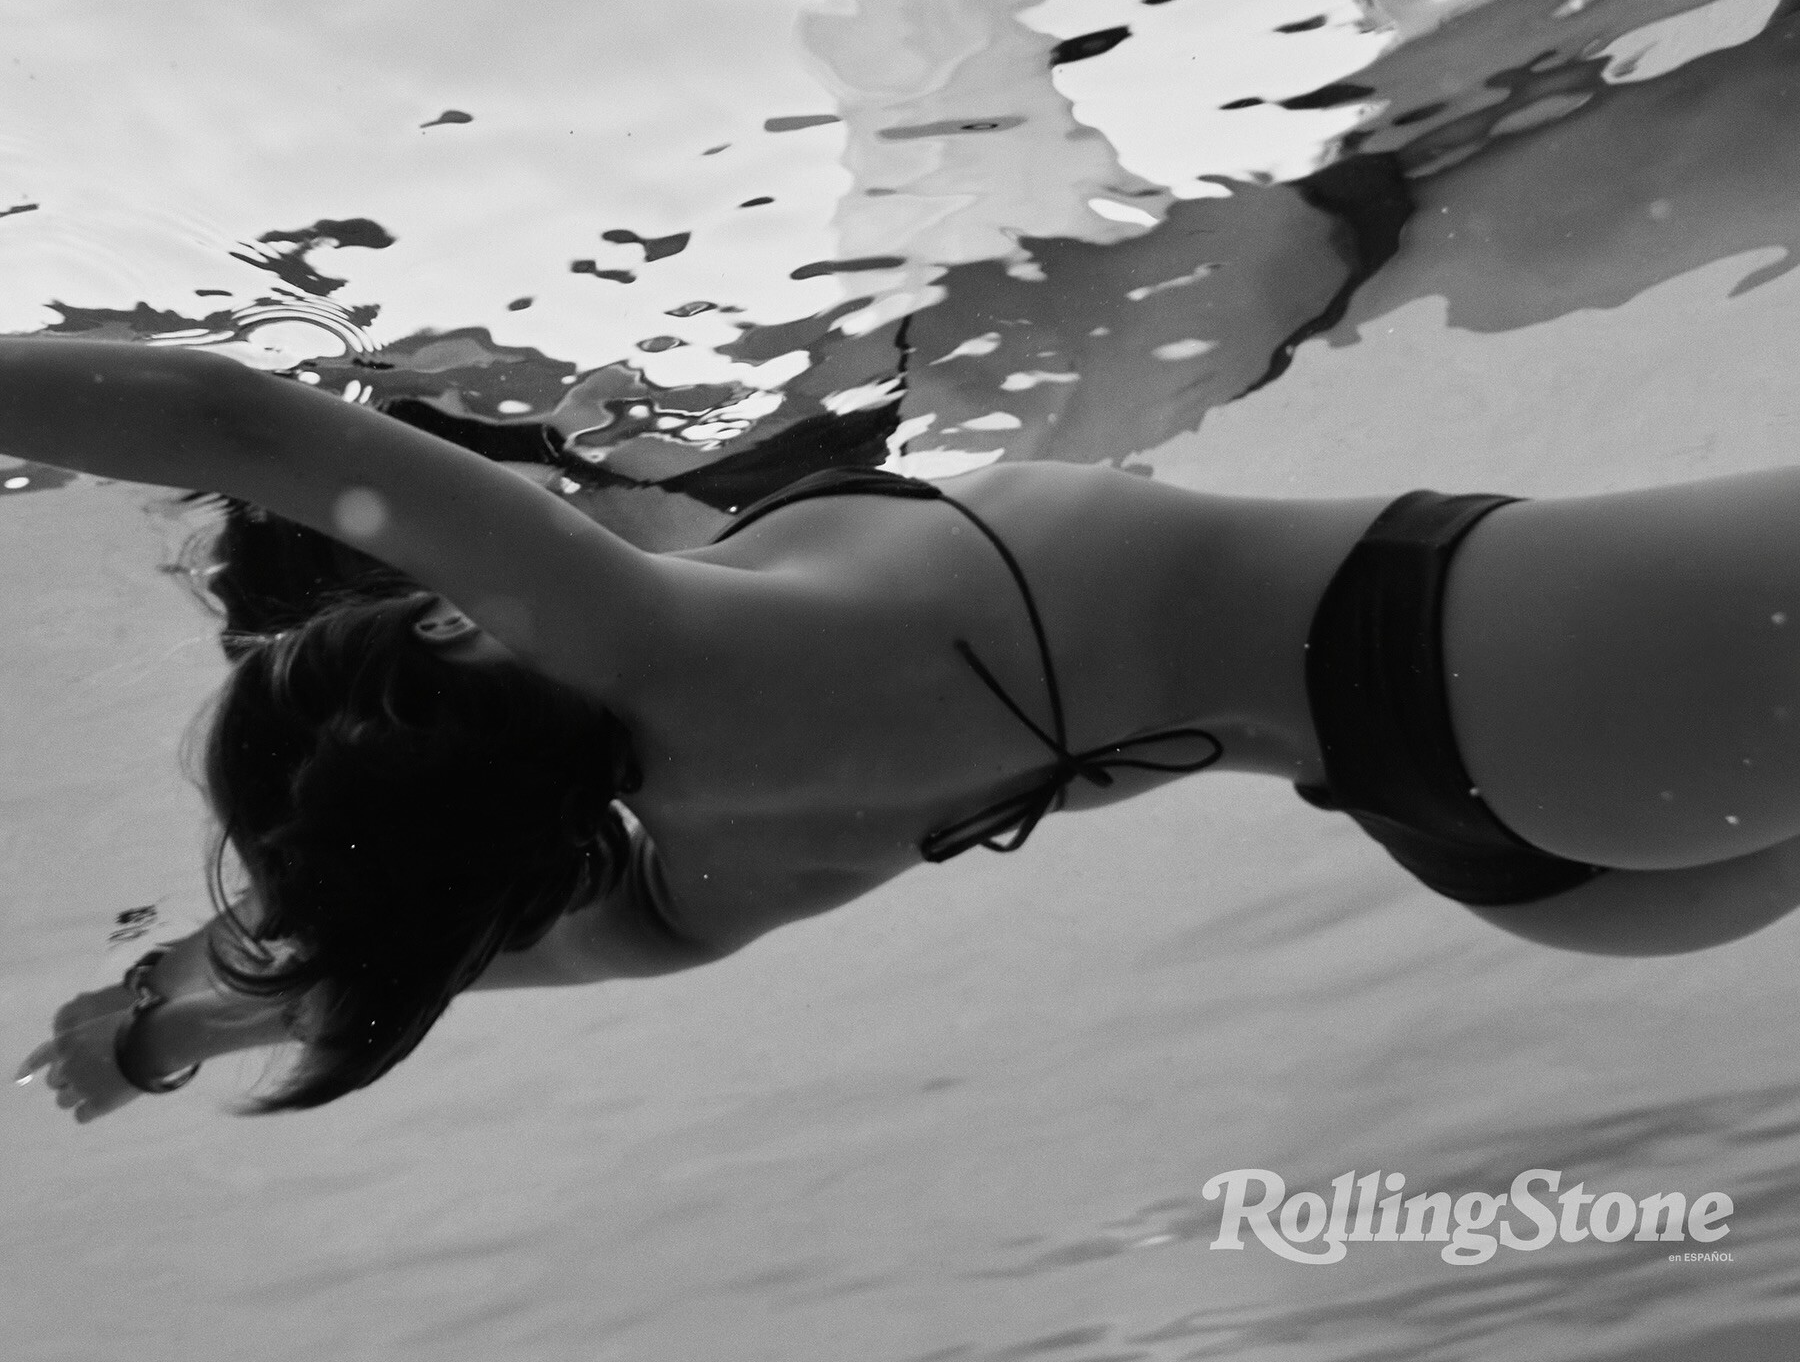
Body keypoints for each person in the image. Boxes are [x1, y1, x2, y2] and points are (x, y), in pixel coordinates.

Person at [13, 338, 1800, 1122]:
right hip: (1509, 670)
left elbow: (406, 933)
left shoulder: (705, 886)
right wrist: (166, 1015)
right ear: (447, 621)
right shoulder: (647, 628)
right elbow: (227, 423)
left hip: (1533, 855)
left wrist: (167, 1030)